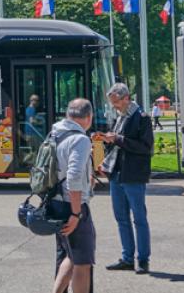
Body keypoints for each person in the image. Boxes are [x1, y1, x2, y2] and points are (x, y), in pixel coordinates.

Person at [95, 83, 153, 274]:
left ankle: (143, 260)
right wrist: (105, 159)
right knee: (121, 218)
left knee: (139, 218)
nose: (114, 106)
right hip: (117, 174)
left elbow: (146, 148)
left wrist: (118, 139)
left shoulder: (142, 117)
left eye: (116, 102)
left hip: (134, 175)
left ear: (126, 98)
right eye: (112, 103)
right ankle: (127, 258)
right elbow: (118, 147)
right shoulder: (120, 117)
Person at [51, 98, 97, 293]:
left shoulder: (54, 133)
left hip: (56, 203)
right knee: (83, 263)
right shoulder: (80, 139)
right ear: (88, 117)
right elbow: (74, 176)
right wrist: (76, 213)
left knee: (70, 255)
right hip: (72, 206)